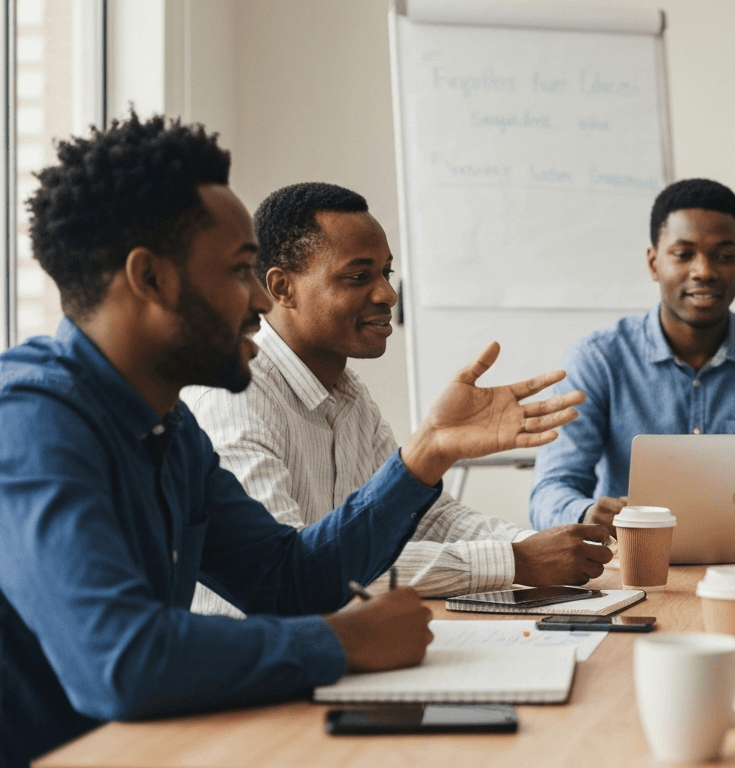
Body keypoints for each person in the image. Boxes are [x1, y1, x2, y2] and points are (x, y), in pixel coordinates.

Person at [0, 115, 583, 768]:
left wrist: (425, 456)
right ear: (152, 278)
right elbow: (120, 660)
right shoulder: (29, 421)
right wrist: (341, 643)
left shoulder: (172, 427)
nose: (258, 299)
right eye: (240, 270)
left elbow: (287, 580)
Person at [183, 182, 613, 617]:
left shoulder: (350, 397)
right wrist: (515, 561)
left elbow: (428, 520)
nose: (388, 295)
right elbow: (304, 567)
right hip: (269, 667)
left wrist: (533, 546)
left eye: (386, 273)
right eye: (358, 276)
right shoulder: (235, 397)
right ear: (281, 288)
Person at [528, 178, 735, 530]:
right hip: (634, 565)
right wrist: (585, 513)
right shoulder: (598, 360)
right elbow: (551, 491)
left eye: (724, 256)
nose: (704, 271)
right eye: (684, 255)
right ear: (654, 263)